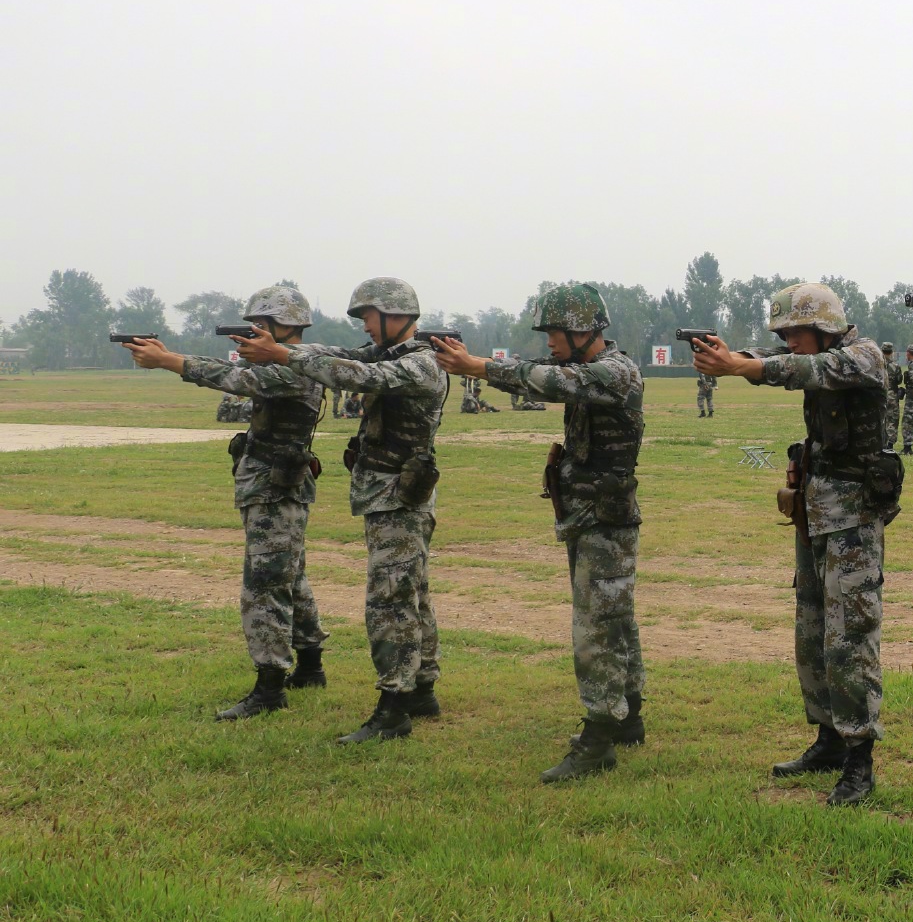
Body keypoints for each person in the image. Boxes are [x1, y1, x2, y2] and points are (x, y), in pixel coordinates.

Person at [690, 284, 898, 806]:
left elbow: (808, 371)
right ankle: (828, 738)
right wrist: (735, 356)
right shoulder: (811, 352)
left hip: (853, 514)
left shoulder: (862, 357)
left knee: (849, 636)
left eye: (795, 333)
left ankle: (859, 760)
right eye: (782, 334)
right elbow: (776, 360)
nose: (788, 342)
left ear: (825, 328)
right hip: (817, 508)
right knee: (811, 629)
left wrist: (742, 368)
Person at [433, 284, 648, 783]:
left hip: (604, 516)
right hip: (591, 513)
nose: (549, 341)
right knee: (615, 617)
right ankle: (628, 716)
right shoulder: (590, 369)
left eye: (555, 331)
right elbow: (547, 378)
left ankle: (599, 737)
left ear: (584, 331)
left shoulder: (615, 372)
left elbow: (550, 383)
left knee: (597, 624)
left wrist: (478, 366)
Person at [237, 277, 445, 744]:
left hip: (399, 496)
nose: (366, 327)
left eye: (369, 317)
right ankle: (422, 689)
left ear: (394, 316)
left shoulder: (420, 364)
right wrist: (283, 347)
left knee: (390, 600)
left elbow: (358, 377)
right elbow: (343, 357)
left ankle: (394, 708)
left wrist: (284, 354)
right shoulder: (394, 354)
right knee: (411, 593)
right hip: (391, 494)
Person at [122, 285, 330, 718]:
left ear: (281, 327)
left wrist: (168, 361)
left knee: (264, 586)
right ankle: (310, 666)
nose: (253, 332)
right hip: (278, 484)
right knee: (289, 576)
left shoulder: (294, 368)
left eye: (260, 325)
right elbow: (234, 370)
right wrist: (171, 357)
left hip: (276, 488)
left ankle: (270, 688)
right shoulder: (291, 361)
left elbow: (234, 378)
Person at [881, 341, 905, 449]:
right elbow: (899, 380)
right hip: (891, 395)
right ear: (891, 352)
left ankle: (880, 442)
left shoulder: (876, 364)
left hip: (879, 395)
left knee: (880, 419)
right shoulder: (895, 366)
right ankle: (890, 444)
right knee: (892, 419)